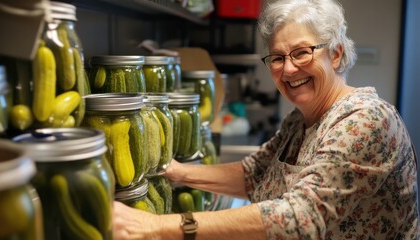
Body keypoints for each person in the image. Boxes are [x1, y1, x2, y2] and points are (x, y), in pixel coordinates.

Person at [112, 0, 419, 239]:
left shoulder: (365, 121)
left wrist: (157, 227)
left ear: (336, 54)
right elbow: (254, 173)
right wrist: (174, 172)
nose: (288, 69)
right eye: (277, 57)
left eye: (301, 53)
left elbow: (303, 218)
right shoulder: (300, 121)